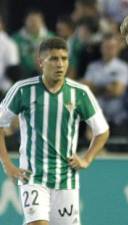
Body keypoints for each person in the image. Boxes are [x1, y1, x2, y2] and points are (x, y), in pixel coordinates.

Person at [0, 37, 109, 225]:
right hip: (33, 177)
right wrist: (7, 164)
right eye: (54, 59)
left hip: (66, 180)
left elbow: (102, 130)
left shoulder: (80, 93)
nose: (60, 64)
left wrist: (87, 158)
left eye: (64, 59)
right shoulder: (22, 90)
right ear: (41, 62)